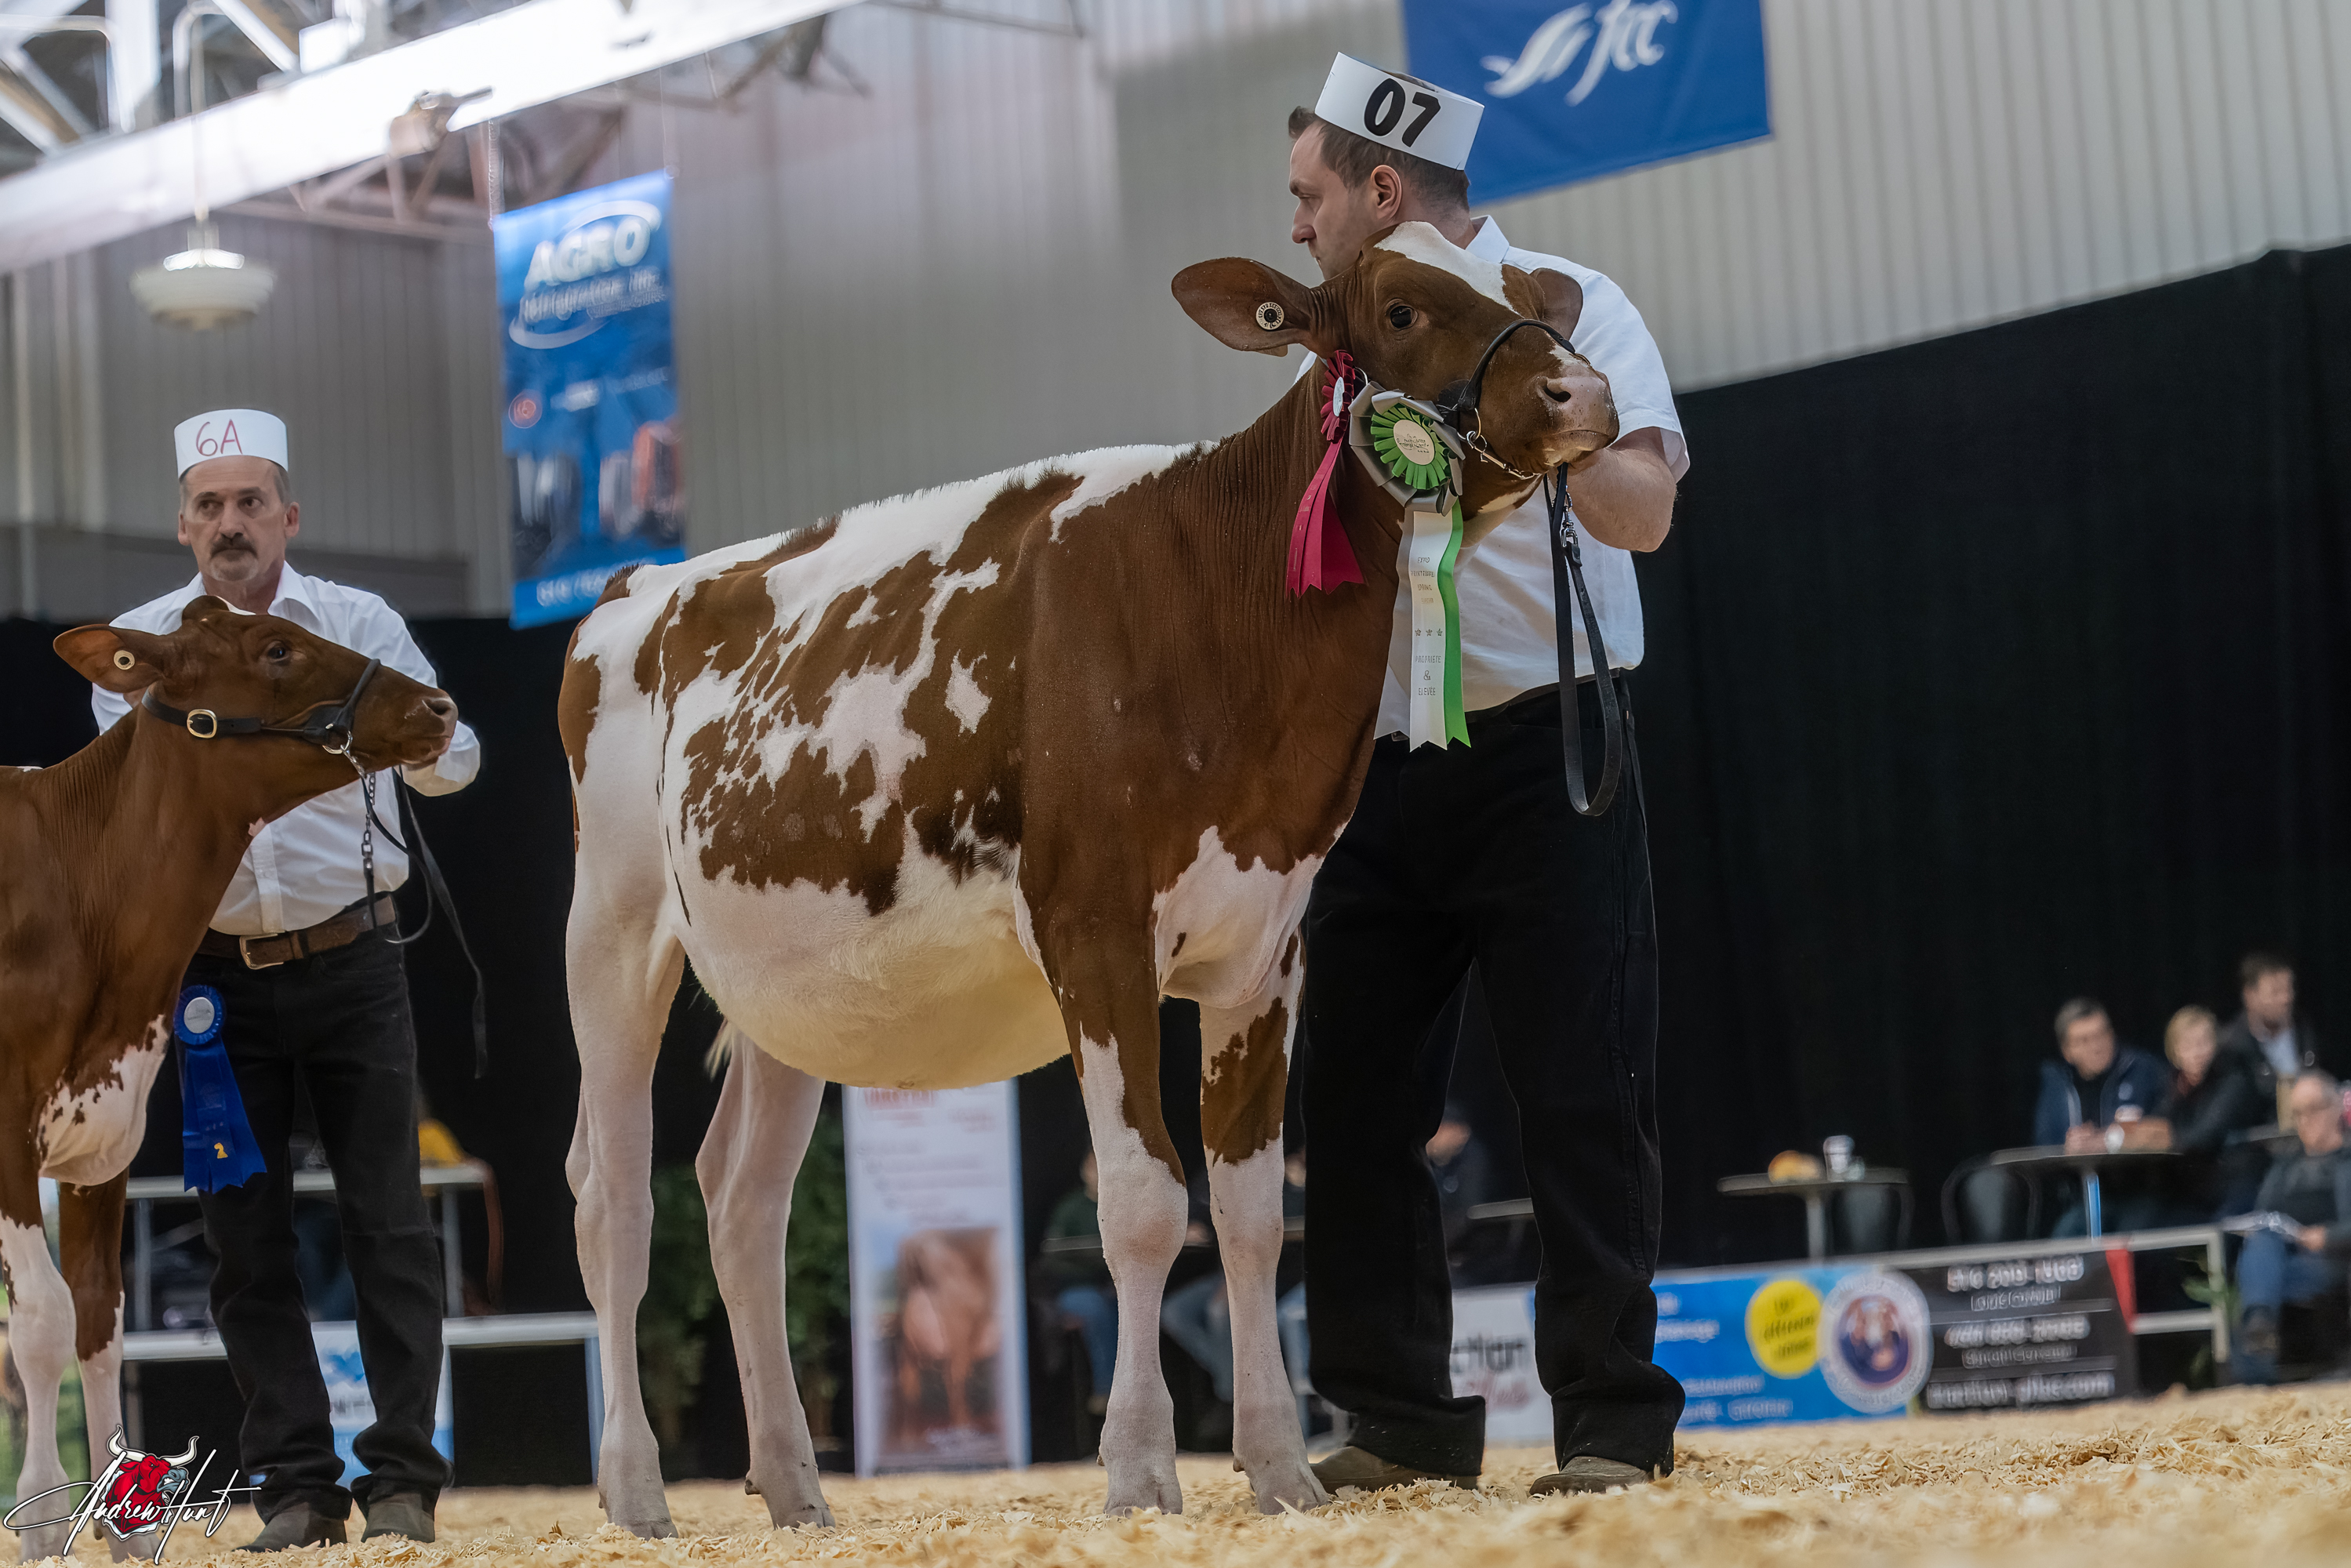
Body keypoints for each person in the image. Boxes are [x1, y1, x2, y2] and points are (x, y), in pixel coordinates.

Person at [1286, 56, 1688, 1497]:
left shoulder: (1571, 306)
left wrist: (1567, 423)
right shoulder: (1327, 358)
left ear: (1380, 192)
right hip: (1372, 769)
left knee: (1581, 1083)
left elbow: (1644, 516)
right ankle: (1393, 1418)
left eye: (1307, 195)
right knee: (1355, 1097)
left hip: (1546, 745)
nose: (1295, 228)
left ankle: (1609, 1423)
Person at [91, 409, 481, 1550]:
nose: (230, 524)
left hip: (355, 956)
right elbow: (124, 806)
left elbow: (458, 762)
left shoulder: (359, 626)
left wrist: (377, 729)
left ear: (288, 516)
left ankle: (403, 1481)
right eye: (208, 505)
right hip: (213, 986)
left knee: (391, 1225)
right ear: (183, 526)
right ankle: (297, 1492)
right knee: (241, 1240)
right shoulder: (142, 650)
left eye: (250, 501)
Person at [2235, 1070, 2351, 1384]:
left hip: (2337, 1258)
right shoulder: (2285, 1164)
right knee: (2262, 1243)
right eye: (2298, 1113)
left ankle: (2256, 1358)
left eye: (2314, 1109)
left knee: (2260, 1278)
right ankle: (2260, 1326)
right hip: (2287, 1255)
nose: (2306, 1120)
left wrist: (2328, 1236)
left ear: (2337, 1107)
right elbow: (2264, 1212)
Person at [2031, 999, 2168, 1236]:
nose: (2096, 1046)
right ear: (2067, 1051)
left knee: (2128, 1245)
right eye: (2083, 1041)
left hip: (2142, 1194)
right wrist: (2070, 1146)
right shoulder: (2058, 1085)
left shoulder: (2142, 1069)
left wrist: (2107, 1141)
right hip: (2083, 1199)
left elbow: (2166, 1130)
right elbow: (2044, 1145)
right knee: (2064, 1240)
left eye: (2101, 1035)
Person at [2153, 1004, 2269, 1220]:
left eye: (2203, 1043)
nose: (2197, 1052)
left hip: (2235, 1180)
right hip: (2193, 1186)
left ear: (2216, 1044)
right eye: (2187, 1045)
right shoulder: (2173, 1088)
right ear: (2174, 1052)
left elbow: (2207, 1134)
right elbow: (2159, 1126)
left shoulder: (2234, 1079)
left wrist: (2162, 1141)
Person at [1040, 1152, 1117, 1416]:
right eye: (1094, 1167)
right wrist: (1093, 1269)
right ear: (1085, 1171)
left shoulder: (1120, 1206)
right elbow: (1053, 1259)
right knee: (1097, 1310)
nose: (1099, 1173)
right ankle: (1107, 1390)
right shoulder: (1070, 1208)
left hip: (1114, 1289)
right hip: (1073, 1291)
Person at [2222, 953, 2324, 1123]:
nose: (2286, 998)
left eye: (2289, 989)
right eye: (2275, 992)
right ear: (2250, 995)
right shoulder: (2233, 1046)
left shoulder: (2305, 1030)